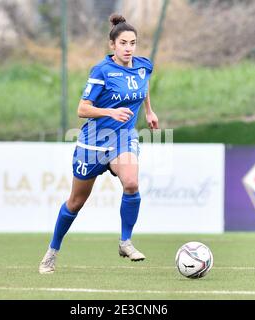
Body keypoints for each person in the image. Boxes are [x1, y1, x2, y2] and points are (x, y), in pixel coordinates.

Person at [39, 13, 159, 274]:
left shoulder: (143, 66)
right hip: (94, 143)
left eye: (133, 43)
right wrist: (110, 112)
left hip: (123, 138)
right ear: (112, 45)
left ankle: (125, 241)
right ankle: (52, 250)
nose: (129, 48)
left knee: (131, 183)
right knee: (76, 202)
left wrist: (149, 111)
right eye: (123, 43)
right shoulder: (102, 71)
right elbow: (82, 109)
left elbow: (143, 85)